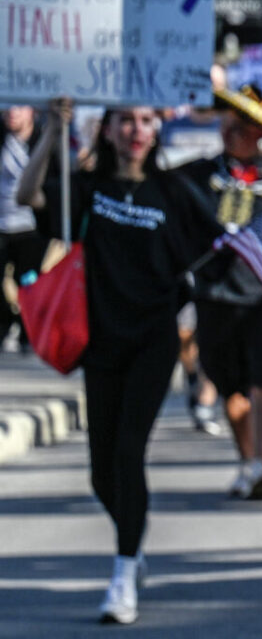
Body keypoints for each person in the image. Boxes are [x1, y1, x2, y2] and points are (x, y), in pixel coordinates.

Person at [15, 99, 223, 624]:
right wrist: (53, 131)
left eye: (147, 120)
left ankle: (124, 572)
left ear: (157, 130)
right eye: (126, 120)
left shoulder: (174, 191)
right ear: (107, 130)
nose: (137, 129)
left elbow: (223, 236)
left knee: (129, 453)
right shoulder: (89, 190)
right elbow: (27, 195)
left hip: (153, 342)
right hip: (101, 343)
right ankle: (133, 539)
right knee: (100, 475)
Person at [175, 88, 262, 501]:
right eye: (228, 124)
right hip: (215, 295)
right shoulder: (199, 173)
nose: (234, 132)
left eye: (244, 126)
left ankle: (261, 462)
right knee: (230, 386)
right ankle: (248, 459)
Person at [2, 105, 50, 353]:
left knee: (28, 282)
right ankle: (5, 323)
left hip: (30, 227)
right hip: (2, 224)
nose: (12, 112)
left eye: (19, 107)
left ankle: (25, 330)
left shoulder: (42, 141)